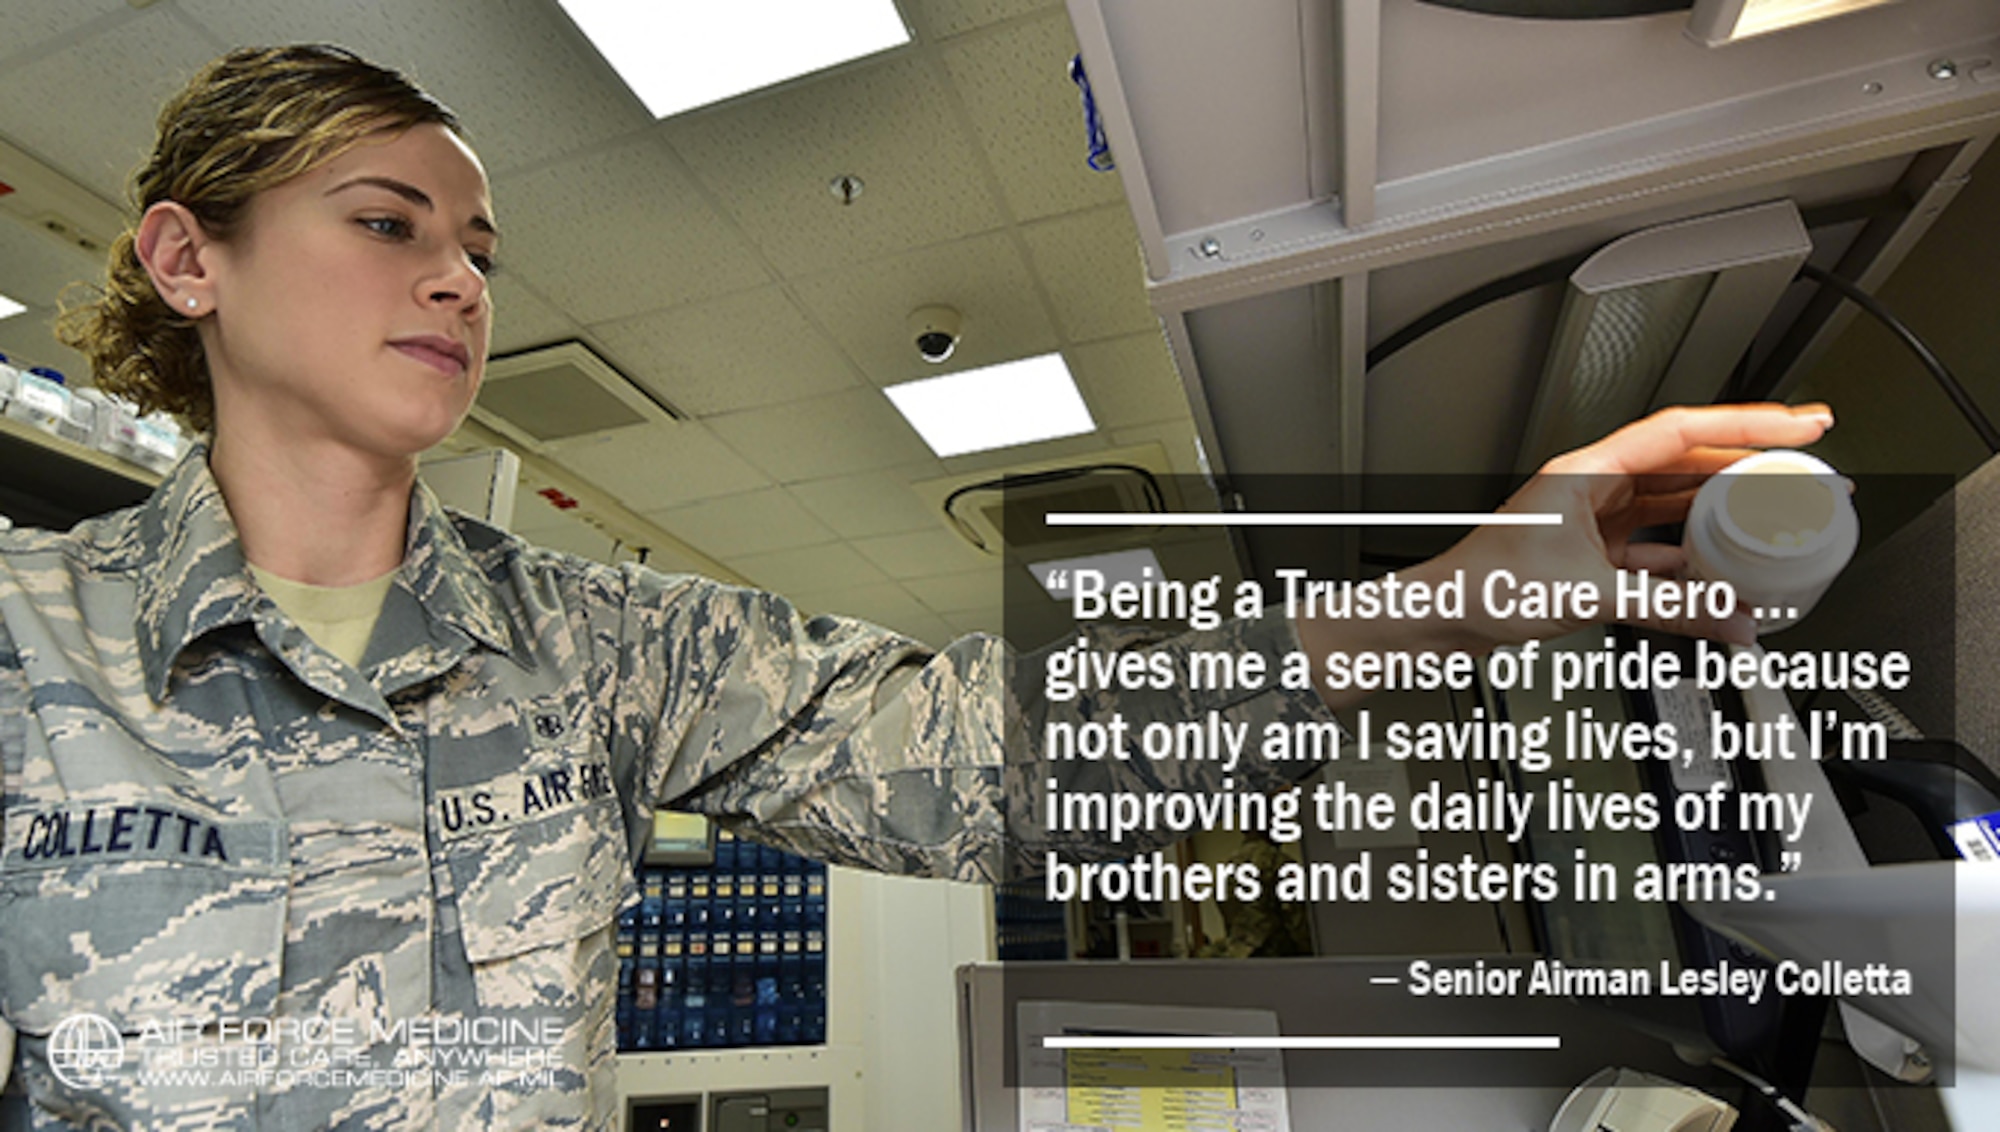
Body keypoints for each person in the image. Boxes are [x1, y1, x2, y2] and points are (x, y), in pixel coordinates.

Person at [0, 45, 1835, 1131]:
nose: (465, 281)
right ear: (187, 260)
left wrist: (1466, 588)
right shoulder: (27, 646)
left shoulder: (595, 642)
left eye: (479, 244)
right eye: (389, 223)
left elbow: (1004, 754)